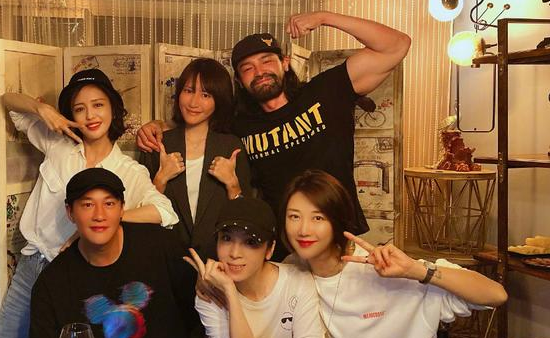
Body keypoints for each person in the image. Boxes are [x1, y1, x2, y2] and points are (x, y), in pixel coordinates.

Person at [0, 69, 178, 338]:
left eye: (98, 105)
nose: (90, 115)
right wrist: (42, 109)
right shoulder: (58, 144)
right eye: (80, 108)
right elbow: (9, 102)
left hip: (81, 279)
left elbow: (165, 212)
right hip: (33, 271)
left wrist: (106, 219)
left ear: (113, 109)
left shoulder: (128, 170)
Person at [137, 11, 411, 259]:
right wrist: (157, 126)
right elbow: (199, 118)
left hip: (337, 240)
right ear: (240, 81)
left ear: (285, 63)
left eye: (267, 61)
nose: (259, 72)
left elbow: (397, 45)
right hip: (279, 249)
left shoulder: (325, 92)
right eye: (247, 68)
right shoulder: (239, 125)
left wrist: (325, 17)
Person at [279, 169, 508, 338]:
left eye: (318, 217)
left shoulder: (385, 270)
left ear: (338, 220)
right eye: (294, 216)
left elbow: (495, 294)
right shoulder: (292, 274)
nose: (303, 229)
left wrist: (417, 271)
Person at [27, 168, 199, 338]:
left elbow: (203, 322)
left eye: (109, 204)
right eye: (87, 205)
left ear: (122, 208)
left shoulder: (162, 247)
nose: (99, 215)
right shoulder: (52, 283)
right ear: (70, 212)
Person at [187, 197, 324, 338]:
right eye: (226, 239)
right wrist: (230, 292)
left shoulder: (297, 281)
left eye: (250, 242)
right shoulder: (209, 294)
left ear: (270, 249)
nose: (235, 253)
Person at [140, 58, 252, 259]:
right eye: (189, 91)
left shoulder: (231, 146)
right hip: (164, 257)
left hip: (218, 260)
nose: (193, 103)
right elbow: (137, 212)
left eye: (205, 95)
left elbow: (246, 217)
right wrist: (161, 179)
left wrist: (233, 185)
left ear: (219, 100)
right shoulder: (158, 144)